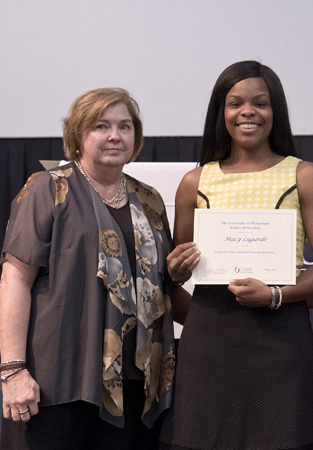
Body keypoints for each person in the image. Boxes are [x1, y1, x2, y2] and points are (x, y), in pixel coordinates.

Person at [159, 60, 313, 450]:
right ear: (221, 113)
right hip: (209, 344)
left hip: (281, 339)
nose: (248, 112)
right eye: (235, 103)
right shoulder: (195, 182)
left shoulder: (304, 176)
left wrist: (276, 296)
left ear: (277, 112)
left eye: (261, 103)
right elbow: (172, 275)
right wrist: (174, 268)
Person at [0, 88, 186, 450]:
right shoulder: (48, 188)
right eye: (101, 126)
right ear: (77, 135)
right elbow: (14, 280)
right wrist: (12, 370)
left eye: (125, 126)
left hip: (137, 381)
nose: (115, 135)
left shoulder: (149, 199)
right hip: (61, 376)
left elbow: (161, 287)